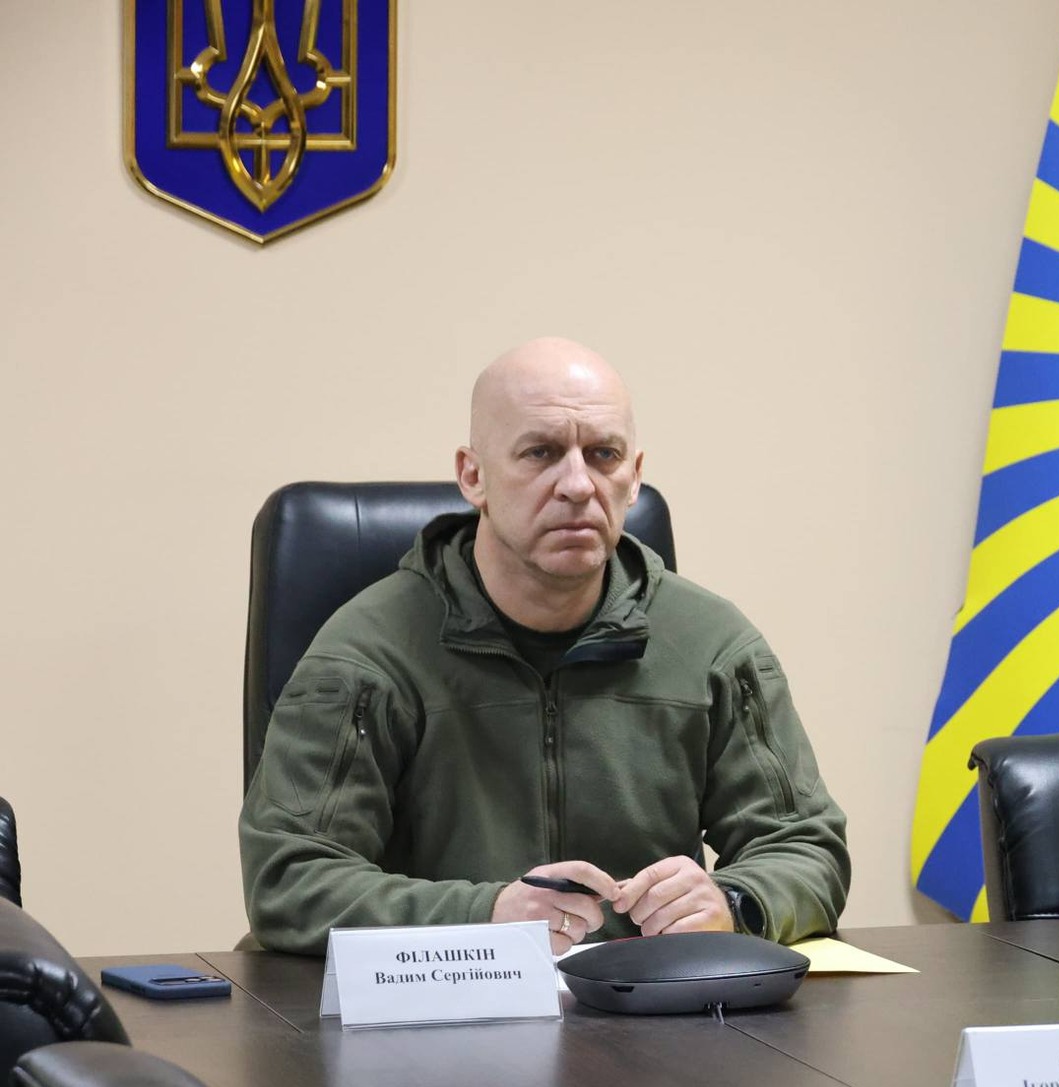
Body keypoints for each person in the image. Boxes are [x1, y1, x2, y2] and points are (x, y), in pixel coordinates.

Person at [241, 338, 850, 954]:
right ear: (473, 476)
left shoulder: (712, 643)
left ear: (635, 477)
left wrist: (735, 903)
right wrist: (485, 916)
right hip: (442, 993)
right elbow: (290, 879)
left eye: (604, 455)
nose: (579, 485)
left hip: (646, 996)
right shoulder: (367, 653)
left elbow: (805, 844)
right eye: (541, 453)